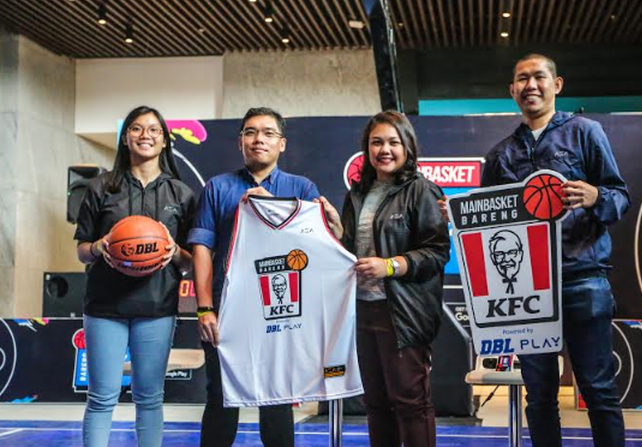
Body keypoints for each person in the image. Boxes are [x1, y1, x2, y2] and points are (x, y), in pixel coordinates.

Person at [441, 54, 629, 447]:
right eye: (521, 79)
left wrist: (596, 196)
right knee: (539, 395)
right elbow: (488, 227)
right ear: (512, 91)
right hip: (527, 291)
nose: (530, 85)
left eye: (538, 77)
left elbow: (620, 197)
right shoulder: (499, 155)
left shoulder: (586, 133)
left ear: (556, 84)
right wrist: (461, 216)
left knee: (597, 389)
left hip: (583, 278)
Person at [188, 107, 321, 447]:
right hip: (227, 308)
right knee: (220, 396)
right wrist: (205, 308)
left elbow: (313, 249)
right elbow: (202, 249)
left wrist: (272, 206)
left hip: (279, 307)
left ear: (282, 144)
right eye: (250, 132)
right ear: (240, 142)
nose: (258, 139)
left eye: (267, 133)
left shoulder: (301, 188)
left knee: (276, 398)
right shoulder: (218, 188)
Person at [325, 110, 450, 447]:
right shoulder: (358, 194)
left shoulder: (422, 190)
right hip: (363, 311)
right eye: (376, 142)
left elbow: (437, 253)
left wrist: (390, 266)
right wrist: (340, 234)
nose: (385, 149)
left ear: (407, 146)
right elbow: (355, 254)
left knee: (411, 403)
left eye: (393, 142)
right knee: (376, 404)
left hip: (403, 313)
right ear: (366, 148)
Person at [74, 106, 196, 447]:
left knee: (149, 398)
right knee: (101, 397)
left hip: (157, 308)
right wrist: (99, 246)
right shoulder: (100, 188)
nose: (146, 135)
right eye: (138, 129)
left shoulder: (181, 195)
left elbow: (190, 261)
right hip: (105, 307)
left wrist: (175, 253)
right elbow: (81, 249)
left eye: (154, 130)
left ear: (164, 140)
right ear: (125, 137)